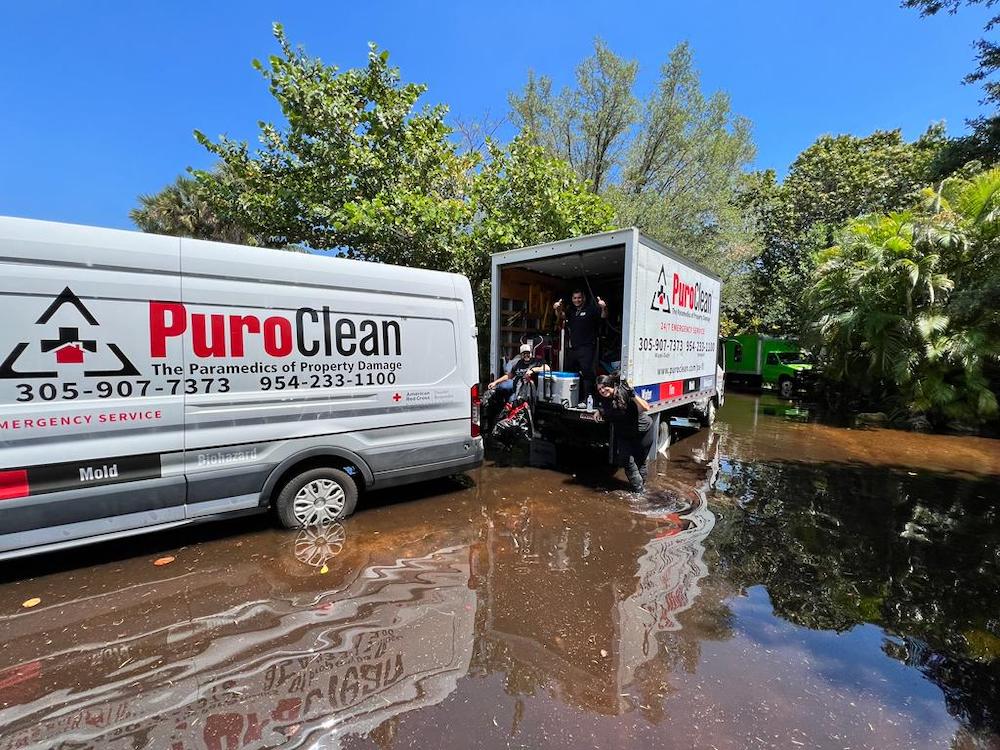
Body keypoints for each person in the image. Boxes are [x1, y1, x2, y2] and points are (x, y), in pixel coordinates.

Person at [594, 373, 653, 492]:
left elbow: (646, 407)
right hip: (624, 432)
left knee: (640, 461)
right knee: (625, 460)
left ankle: (640, 491)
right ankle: (639, 489)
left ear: (611, 385)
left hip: (642, 429)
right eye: (599, 389)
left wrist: (633, 394)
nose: (602, 390)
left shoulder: (624, 392)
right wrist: (599, 412)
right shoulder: (605, 399)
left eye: (604, 387)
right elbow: (608, 410)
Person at [553, 289, 607, 404]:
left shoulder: (591, 309)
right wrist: (557, 308)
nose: (577, 300)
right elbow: (560, 316)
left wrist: (603, 307)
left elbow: (603, 316)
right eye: (575, 298)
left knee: (587, 373)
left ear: (583, 298)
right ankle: (571, 398)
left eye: (579, 298)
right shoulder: (571, 311)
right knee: (570, 372)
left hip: (587, 347)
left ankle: (588, 399)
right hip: (574, 348)